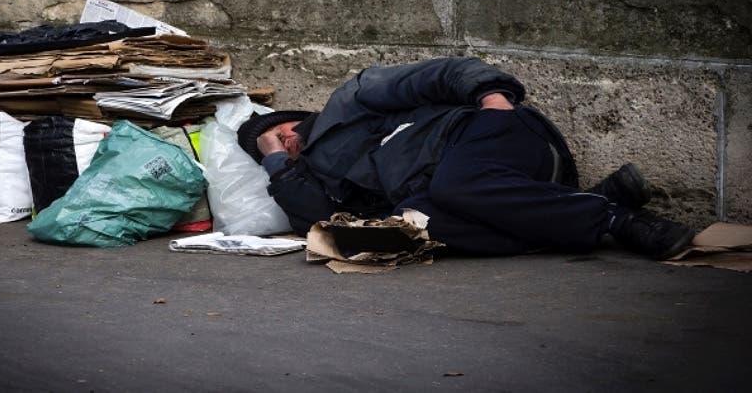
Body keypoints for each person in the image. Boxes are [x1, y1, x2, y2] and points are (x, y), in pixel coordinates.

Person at [237, 57, 695, 259]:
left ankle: (615, 220)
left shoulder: (351, 101)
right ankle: (579, 209)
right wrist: (277, 164)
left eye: (279, 134)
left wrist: (492, 95)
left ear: (293, 121)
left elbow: (440, 73)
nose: (284, 143)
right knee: (410, 228)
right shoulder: (313, 177)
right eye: (271, 147)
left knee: (453, 184)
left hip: (485, 135)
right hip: (468, 192)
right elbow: (318, 224)